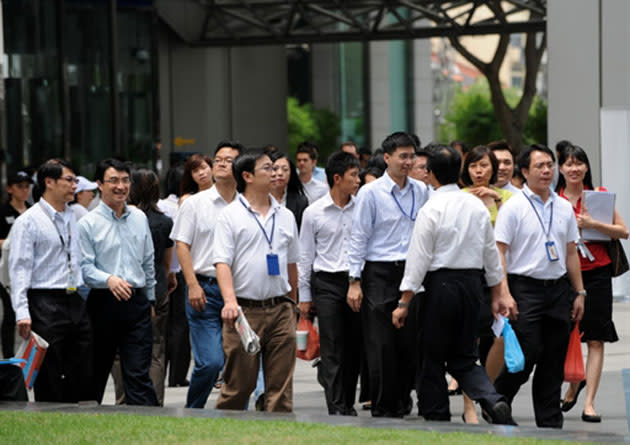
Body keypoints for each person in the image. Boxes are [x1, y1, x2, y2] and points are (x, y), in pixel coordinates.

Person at [392, 144, 517, 424]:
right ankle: (493, 399)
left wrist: (404, 302)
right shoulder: (476, 205)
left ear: (431, 174)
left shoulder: (431, 207)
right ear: (459, 171)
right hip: (472, 285)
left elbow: (418, 260)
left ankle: (437, 418)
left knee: (431, 357)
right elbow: (490, 253)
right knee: (464, 356)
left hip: (441, 286)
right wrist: (497, 292)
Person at [493, 144, 586, 429]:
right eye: (539, 166)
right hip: (525, 288)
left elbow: (570, 251)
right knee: (528, 351)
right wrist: (504, 292)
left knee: (554, 355)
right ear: (524, 171)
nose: (547, 171)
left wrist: (579, 291)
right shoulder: (514, 206)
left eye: (550, 165)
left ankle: (549, 421)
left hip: (558, 289)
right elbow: (500, 252)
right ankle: (497, 399)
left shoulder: (562, 207)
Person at [347, 131, 429, 418]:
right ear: (387, 158)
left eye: (412, 156)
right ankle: (383, 406)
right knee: (381, 343)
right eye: (402, 156)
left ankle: (403, 400)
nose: (408, 162)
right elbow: (358, 237)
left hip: (412, 272)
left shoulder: (422, 191)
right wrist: (354, 281)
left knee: (409, 342)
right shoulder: (370, 193)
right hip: (379, 272)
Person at [214, 148, 299, 412]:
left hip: (280, 308)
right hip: (243, 311)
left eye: (276, 168)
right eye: (267, 168)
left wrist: (293, 304)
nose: (275, 173)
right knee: (239, 386)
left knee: (280, 389)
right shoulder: (230, 215)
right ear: (247, 176)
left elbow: (292, 264)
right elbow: (222, 263)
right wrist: (230, 303)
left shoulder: (285, 215)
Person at [9, 159, 92, 402]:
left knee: (81, 362)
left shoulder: (73, 215)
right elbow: (19, 269)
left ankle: (80, 416)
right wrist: (22, 311)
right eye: (69, 180)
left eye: (76, 180)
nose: (74, 185)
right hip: (44, 300)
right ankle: (51, 415)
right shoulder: (29, 221)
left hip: (74, 297)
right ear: (49, 182)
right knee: (51, 369)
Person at [556, 144, 628, 423]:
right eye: (568, 164)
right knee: (563, 335)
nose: (574, 169)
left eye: (579, 163)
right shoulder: (555, 199)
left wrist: (593, 224)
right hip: (563, 275)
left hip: (597, 273)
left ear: (586, 167)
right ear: (560, 168)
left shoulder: (598, 197)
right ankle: (574, 381)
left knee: (596, 338)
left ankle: (589, 403)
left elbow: (623, 231)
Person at [78, 158, 158, 406]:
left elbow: (148, 261)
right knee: (96, 370)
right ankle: (88, 421)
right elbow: (85, 269)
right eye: (114, 180)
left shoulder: (139, 218)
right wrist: (109, 279)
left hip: (136, 302)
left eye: (125, 181)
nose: (121, 186)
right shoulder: (87, 223)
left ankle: (145, 425)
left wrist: (151, 298)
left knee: (138, 372)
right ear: (100, 184)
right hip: (102, 302)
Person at [170, 140, 243, 408]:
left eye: (229, 159)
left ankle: (238, 414)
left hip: (238, 291)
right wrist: (192, 285)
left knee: (241, 361)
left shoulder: (246, 205)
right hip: (205, 289)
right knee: (210, 362)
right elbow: (182, 244)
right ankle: (194, 409)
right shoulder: (195, 204)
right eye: (218, 159)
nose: (222, 163)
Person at [298, 151, 361, 416]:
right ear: (337, 178)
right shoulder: (314, 213)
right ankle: (336, 406)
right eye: (353, 175)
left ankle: (347, 400)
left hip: (356, 282)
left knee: (354, 347)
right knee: (332, 345)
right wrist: (304, 296)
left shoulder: (362, 208)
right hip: (326, 283)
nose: (358, 181)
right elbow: (305, 256)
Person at [459, 144, 513, 423]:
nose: (479, 171)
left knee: (500, 338)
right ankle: (470, 404)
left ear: (494, 167)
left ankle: (487, 394)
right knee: (472, 340)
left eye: (484, 165)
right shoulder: (460, 197)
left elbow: (512, 233)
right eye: (473, 166)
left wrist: (497, 200)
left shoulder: (506, 197)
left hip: (500, 277)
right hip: (470, 275)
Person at [129, 168, 176, 406]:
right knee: (157, 349)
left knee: (123, 351)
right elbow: (167, 262)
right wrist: (167, 278)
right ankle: (155, 401)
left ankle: (124, 398)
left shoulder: (127, 218)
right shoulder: (165, 221)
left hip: (130, 289)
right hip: (158, 287)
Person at [158, 164, 191, 388]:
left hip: (164, 271)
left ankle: (161, 371)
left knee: (163, 326)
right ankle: (178, 375)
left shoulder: (161, 206)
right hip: (181, 272)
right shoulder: (189, 205)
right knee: (180, 325)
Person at [0, 171, 32, 357]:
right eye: (20, 186)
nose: (24, 190)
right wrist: (9, 243)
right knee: (11, 314)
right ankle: (9, 356)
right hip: (6, 269)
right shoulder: (3, 212)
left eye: (27, 186)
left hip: (29, 268)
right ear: (9, 189)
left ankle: (29, 354)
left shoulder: (32, 210)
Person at [269, 152, 308, 230]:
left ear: (291, 173)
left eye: (285, 169)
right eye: (275, 169)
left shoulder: (300, 202)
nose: (280, 173)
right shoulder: (259, 198)